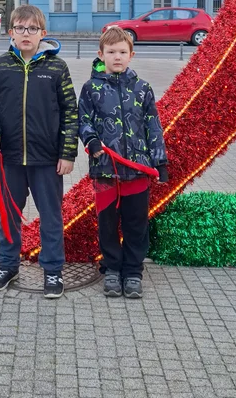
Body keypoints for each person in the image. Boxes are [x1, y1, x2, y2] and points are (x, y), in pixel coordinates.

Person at [0, 5, 78, 298]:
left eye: (32, 29)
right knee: (9, 215)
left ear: (42, 34)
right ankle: (7, 265)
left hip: (47, 159)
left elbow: (71, 111)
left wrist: (68, 153)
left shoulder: (56, 68)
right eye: (20, 28)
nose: (26, 34)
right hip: (9, 158)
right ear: (11, 32)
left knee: (51, 216)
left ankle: (53, 271)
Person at [78, 26, 168, 299]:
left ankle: (132, 271)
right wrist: (91, 142)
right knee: (106, 222)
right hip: (105, 170)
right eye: (111, 52)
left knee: (135, 222)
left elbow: (153, 126)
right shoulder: (91, 88)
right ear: (101, 54)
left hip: (137, 171)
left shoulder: (143, 89)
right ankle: (112, 268)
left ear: (131, 55)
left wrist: (160, 162)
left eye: (122, 52)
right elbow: (83, 120)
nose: (117, 57)